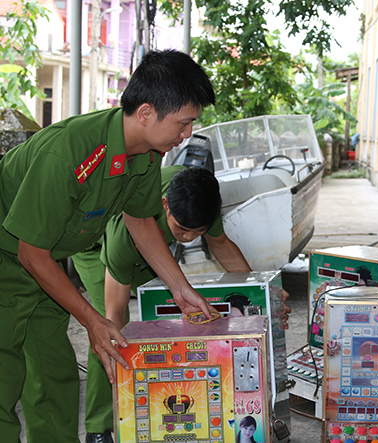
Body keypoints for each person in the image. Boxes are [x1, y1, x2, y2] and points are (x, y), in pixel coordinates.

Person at [0, 49, 217, 443]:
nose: (187, 134)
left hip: (46, 262)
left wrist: (181, 289)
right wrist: (93, 319)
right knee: (4, 377)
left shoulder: (147, 153)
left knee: (55, 374)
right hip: (9, 259)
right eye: (184, 123)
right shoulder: (68, 152)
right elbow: (30, 251)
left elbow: (139, 219)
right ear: (147, 113)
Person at [72, 165, 252, 443]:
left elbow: (221, 244)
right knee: (107, 330)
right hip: (96, 244)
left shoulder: (200, 196)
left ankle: (160, 396)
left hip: (151, 243)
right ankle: (99, 426)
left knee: (162, 312)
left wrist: (261, 296)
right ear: (165, 206)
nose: (189, 238)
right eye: (182, 229)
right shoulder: (125, 239)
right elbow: (115, 314)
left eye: (197, 232)